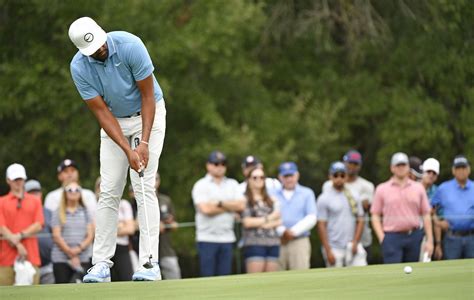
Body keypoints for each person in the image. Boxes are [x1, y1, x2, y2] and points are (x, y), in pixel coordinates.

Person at [68, 16, 167, 282]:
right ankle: (101, 263)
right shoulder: (79, 68)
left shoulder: (130, 45)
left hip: (149, 115)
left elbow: (148, 96)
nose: (99, 50)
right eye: (92, 50)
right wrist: (127, 150)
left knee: (143, 186)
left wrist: (143, 143)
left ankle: (149, 263)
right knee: (109, 189)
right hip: (114, 122)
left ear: (102, 33)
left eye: (100, 44)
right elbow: (101, 114)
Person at [371, 152, 433, 264]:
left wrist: (430, 240)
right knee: (393, 274)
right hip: (391, 237)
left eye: (403, 165)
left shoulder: (418, 188)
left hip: (414, 235)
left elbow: (426, 214)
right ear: (392, 168)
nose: (401, 168)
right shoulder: (382, 189)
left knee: (412, 273)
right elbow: (375, 215)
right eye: (398, 165)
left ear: (408, 167)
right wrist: (382, 237)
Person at [192, 150, 245, 277]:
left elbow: (241, 205)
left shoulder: (233, 184)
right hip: (206, 238)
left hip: (227, 238)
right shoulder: (200, 185)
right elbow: (206, 210)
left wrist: (219, 203)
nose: (220, 167)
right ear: (208, 165)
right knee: (207, 279)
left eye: (223, 164)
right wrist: (230, 206)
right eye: (216, 164)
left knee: (226, 279)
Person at [322, 150, 374, 262]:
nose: (352, 166)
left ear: (359, 166)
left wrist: (366, 206)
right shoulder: (328, 186)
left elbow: (364, 214)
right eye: (349, 163)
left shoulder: (367, 186)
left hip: (361, 238)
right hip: (335, 239)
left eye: (355, 164)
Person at [0, 163, 44, 285]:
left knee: (32, 295)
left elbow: (38, 224)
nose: (18, 182)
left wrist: (19, 235)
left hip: (31, 256)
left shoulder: (35, 200)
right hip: (5, 259)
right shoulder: (1, 202)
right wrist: (19, 245)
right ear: (8, 180)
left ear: (24, 179)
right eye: (15, 179)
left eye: (20, 178)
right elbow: (2, 228)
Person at [317, 162, 366, 268]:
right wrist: (328, 250)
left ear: (347, 176)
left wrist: (355, 242)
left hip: (352, 244)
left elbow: (361, 219)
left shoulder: (354, 195)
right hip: (334, 247)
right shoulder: (324, 198)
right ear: (330, 176)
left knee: (362, 273)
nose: (339, 178)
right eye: (335, 175)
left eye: (342, 175)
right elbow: (321, 225)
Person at [273, 162, 317, 270]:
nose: (289, 179)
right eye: (285, 176)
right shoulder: (272, 193)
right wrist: (283, 231)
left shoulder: (307, 193)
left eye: (291, 175)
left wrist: (292, 232)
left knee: (301, 277)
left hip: (299, 241)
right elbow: (270, 216)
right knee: (277, 278)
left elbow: (312, 217)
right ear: (280, 177)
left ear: (297, 175)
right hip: (278, 241)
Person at [431, 155, 474, 259]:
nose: (461, 171)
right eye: (458, 168)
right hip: (452, 238)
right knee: (452, 270)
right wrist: (438, 222)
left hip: (472, 237)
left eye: (464, 168)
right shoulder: (444, 188)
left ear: (469, 170)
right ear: (453, 171)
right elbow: (431, 209)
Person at [51, 181, 94, 283]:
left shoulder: (85, 211)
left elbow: (90, 235)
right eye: (70, 190)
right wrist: (71, 253)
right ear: (65, 193)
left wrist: (78, 249)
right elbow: (56, 236)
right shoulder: (58, 212)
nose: (73, 192)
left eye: (77, 190)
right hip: (61, 259)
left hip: (83, 258)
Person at [241, 166, 281, 273]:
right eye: (255, 177)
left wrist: (262, 223)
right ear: (249, 179)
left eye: (262, 177)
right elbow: (247, 222)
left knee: (272, 282)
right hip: (254, 243)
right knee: (255, 281)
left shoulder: (271, 199)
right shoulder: (245, 199)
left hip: (273, 243)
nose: (259, 180)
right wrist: (269, 218)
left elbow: (279, 220)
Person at [94, 177, 135, 281]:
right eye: (100, 186)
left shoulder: (124, 204)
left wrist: (108, 229)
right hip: (103, 249)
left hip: (122, 248)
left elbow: (130, 229)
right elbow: (95, 230)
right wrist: (120, 226)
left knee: (126, 280)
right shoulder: (95, 206)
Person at [24, 179, 55, 284]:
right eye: (31, 193)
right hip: (26, 265)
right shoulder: (21, 212)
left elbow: (55, 236)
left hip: (48, 265)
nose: (34, 196)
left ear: (41, 194)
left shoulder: (48, 212)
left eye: (36, 193)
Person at [155, 173, 182, 279]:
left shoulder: (165, 200)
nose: (154, 181)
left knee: (175, 276)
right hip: (144, 251)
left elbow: (174, 223)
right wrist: (156, 225)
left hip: (166, 248)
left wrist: (169, 224)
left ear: (159, 181)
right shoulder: (138, 199)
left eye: (156, 178)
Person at [419, 158, 441, 261]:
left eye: (434, 173)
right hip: (411, 232)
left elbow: (436, 218)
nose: (431, 175)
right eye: (428, 172)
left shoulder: (437, 192)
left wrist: (438, 243)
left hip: (426, 234)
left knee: (424, 264)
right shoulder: (412, 187)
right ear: (423, 172)